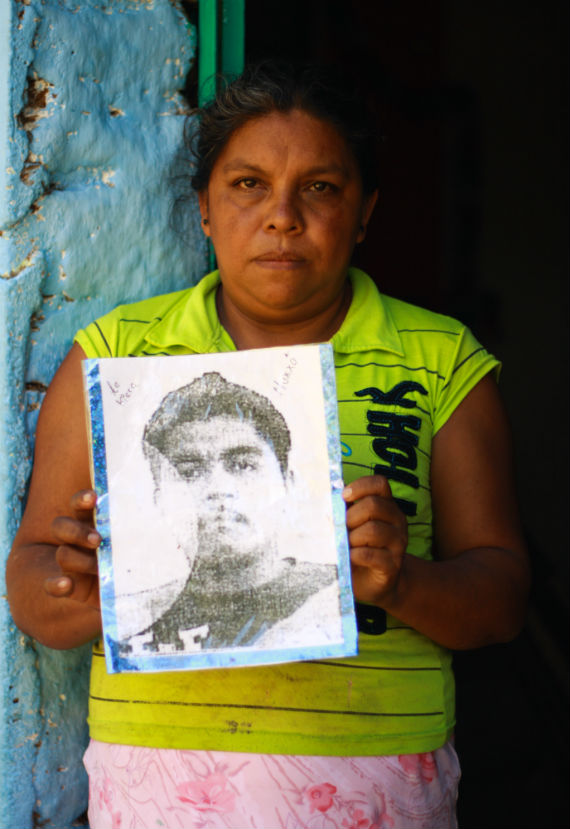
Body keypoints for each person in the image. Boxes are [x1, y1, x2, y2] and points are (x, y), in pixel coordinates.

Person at [6, 62, 530, 829]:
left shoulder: (437, 358)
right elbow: (29, 583)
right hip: (161, 774)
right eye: (248, 184)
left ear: (365, 211)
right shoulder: (117, 357)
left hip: (375, 778)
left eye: (320, 187)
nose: (282, 216)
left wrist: (401, 581)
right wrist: (80, 585)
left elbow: (504, 599)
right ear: (204, 211)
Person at [123, 370, 339, 654]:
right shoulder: (132, 616)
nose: (218, 488)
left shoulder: (334, 592)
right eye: (188, 472)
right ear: (160, 499)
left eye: (243, 465)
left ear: (289, 484)